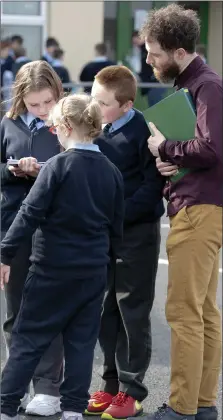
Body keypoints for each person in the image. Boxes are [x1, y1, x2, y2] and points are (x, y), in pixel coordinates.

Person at [0, 93, 124, 420]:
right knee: (81, 345)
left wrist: (5, 252)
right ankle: (72, 409)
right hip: (92, 271)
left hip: (51, 270)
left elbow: (29, 214)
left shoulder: (56, 166)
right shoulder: (111, 171)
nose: (53, 132)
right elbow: (116, 227)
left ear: (66, 126)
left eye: (54, 127)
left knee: (28, 339)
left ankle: (6, 406)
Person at [132, 4, 222, 420]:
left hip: (198, 210)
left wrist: (163, 149)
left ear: (177, 50)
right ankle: (201, 405)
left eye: (153, 52)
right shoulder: (198, 84)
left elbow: (210, 148)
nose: (147, 60)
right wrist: (172, 161)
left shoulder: (205, 86)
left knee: (185, 313)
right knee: (203, 313)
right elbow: (204, 150)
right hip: (202, 205)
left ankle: (183, 408)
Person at [86, 65, 164, 419]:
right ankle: (111, 386)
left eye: (102, 103)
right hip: (103, 235)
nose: (95, 107)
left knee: (132, 310)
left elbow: (152, 189)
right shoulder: (94, 130)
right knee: (106, 312)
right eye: (93, 99)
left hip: (135, 233)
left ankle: (133, 391)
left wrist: (117, 215)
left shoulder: (143, 131)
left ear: (127, 104)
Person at [1, 60, 64, 416]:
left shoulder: (67, 123)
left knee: (48, 310)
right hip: (12, 227)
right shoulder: (7, 124)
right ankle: (17, 384)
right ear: (21, 97)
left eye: (48, 102)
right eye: (35, 104)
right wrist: (12, 169)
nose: (42, 111)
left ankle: (47, 389)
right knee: (17, 313)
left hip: (54, 229)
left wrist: (49, 172)